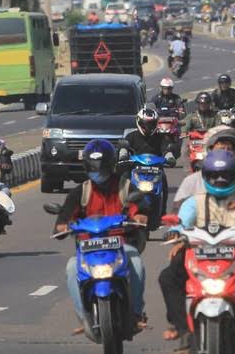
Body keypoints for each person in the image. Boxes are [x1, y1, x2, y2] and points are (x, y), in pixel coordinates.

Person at [159, 150, 235, 350]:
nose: (220, 180)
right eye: (214, 175)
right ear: (205, 176)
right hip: (197, 255)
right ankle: (182, 327)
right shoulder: (194, 202)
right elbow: (180, 221)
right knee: (168, 276)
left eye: (226, 175)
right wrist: (175, 232)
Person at [52, 139, 148, 334]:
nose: (98, 173)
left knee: (136, 263)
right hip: (89, 249)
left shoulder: (125, 186)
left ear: (111, 166)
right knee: (71, 268)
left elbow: (141, 207)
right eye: (93, 168)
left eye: (102, 169)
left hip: (120, 245)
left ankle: (136, 314)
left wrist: (139, 217)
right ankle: (83, 318)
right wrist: (62, 226)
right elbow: (64, 217)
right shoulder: (81, 191)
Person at [173, 125, 235, 210]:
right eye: (221, 148)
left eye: (229, 149)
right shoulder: (192, 182)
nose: (224, 153)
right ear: (210, 150)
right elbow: (178, 213)